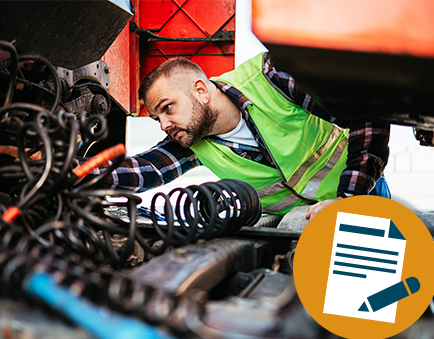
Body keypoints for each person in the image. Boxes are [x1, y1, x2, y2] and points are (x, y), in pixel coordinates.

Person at [81, 52, 390, 219]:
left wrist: (349, 198)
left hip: (364, 198)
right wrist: (69, 169)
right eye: (157, 117)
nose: (163, 125)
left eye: (167, 108)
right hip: (302, 226)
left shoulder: (271, 78)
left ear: (200, 90)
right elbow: (141, 170)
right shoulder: (192, 141)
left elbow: (365, 111)